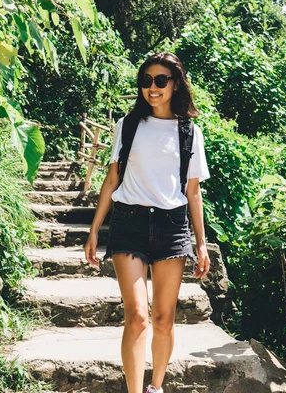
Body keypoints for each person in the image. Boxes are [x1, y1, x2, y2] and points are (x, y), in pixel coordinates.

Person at [84, 52, 211, 393]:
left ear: (174, 85)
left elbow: (193, 191)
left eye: (160, 81)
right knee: (138, 316)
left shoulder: (189, 131)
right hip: (129, 222)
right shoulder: (127, 126)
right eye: (145, 81)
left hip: (172, 226)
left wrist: (201, 243)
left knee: (163, 319)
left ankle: (156, 387)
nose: (152, 88)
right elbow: (111, 181)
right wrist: (94, 230)